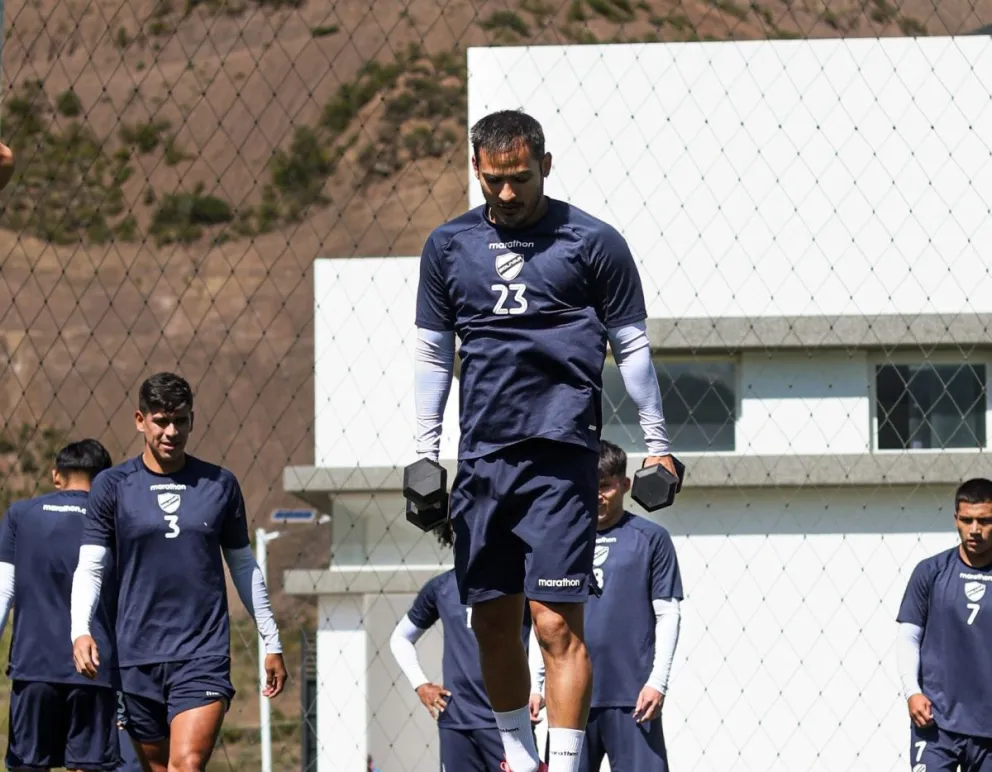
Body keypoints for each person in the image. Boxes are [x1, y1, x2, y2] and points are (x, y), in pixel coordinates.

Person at [413, 108, 677, 772]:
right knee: (492, 626)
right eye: (494, 180)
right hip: (483, 462)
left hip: (561, 462)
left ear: (545, 168)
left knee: (558, 626)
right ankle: (515, 753)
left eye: (521, 179)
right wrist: (423, 453)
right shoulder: (447, 247)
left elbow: (633, 349)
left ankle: (561, 767)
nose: (507, 193)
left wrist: (658, 443)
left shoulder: (593, 242)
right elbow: (433, 355)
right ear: (476, 169)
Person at [69, 372, 288, 772]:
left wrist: (270, 639)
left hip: (200, 653)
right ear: (140, 420)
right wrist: (80, 629)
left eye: (181, 421)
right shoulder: (112, 486)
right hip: (136, 655)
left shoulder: (219, 484)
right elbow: (92, 566)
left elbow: (243, 564)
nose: (172, 431)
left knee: (185, 765)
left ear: (192, 420)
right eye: (161, 420)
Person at [528, 440, 683, 771]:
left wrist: (658, 681)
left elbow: (668, 614)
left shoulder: (652, 538)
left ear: (625, 485)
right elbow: (544, 617)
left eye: (605, 486)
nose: (596, 495)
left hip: (633, 698)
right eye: (588, 486)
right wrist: (535, 683)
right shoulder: (560, 542)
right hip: (567, 696)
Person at [0, 439, 119, 772]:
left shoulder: (20, 515)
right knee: (90, 765)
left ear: (56, 476)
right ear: (106, 479)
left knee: (28, 765)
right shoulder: (115, 520)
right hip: (95, 668)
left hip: (33, 666)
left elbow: (2, 591)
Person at [389, 521, 533, 771]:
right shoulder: (441, 588)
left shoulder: (520, 584)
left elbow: (545, 637)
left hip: (509, 720)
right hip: (457, 722)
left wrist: (538, 689)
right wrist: (420, 684)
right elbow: (400, 638)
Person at [896, 478, 992, 772]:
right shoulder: (930, 572)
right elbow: (907, 638)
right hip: (936, 725)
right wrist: (912, 692)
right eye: (967, 520)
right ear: (956, 520)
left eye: (984, 521)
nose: (974, 529)